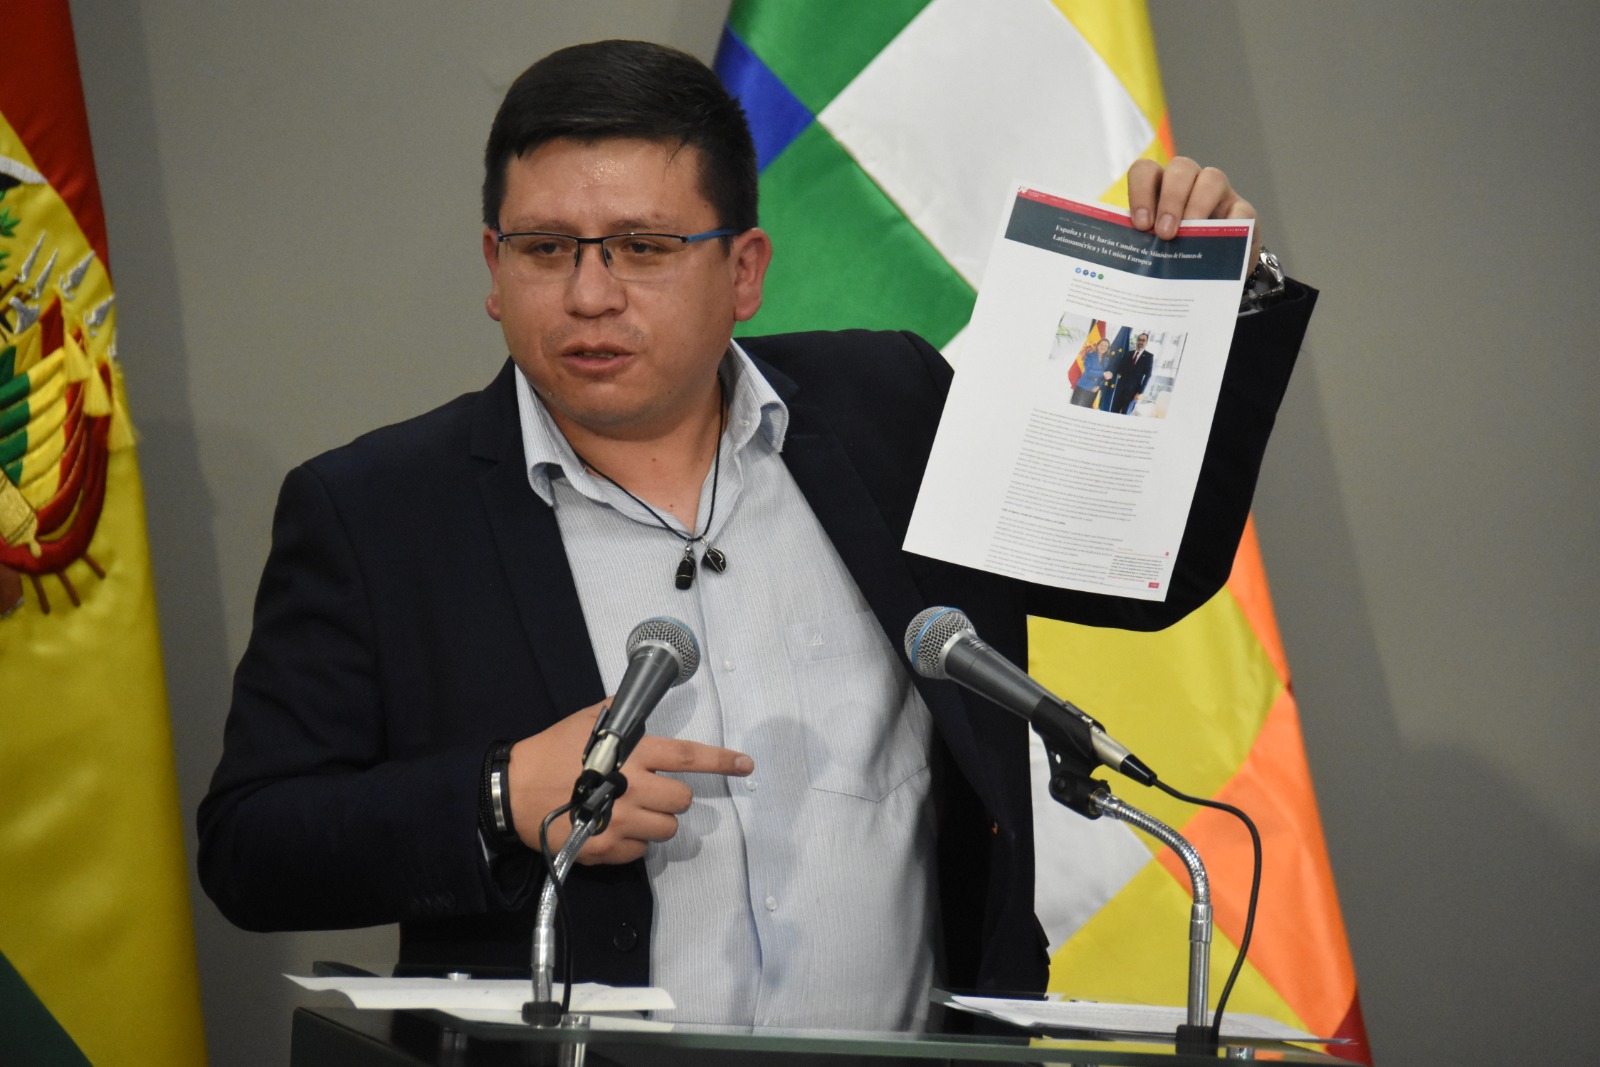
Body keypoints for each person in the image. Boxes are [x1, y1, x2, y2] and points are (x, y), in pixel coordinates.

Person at [197, 40, 1314, 1032]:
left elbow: (1142, 571)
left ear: (743, 270)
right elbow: (253, 847)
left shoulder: (889, 412)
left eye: (642, 247)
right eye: (545, 249)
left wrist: (1225, 287)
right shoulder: (378, 510)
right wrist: (496, 794)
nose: (589, 295)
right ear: (494, 269)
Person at [1107, 331, 1156, 415]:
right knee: (1113, 412)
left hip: (1133, 393)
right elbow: (1120, 368)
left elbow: (1148, 375)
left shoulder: (1149, 356)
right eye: (1139, 340)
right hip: (1120, 389)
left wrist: (1140, 392)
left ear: (1146, 342)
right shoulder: (1128, 354)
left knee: (1125, 414)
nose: (1140, 342)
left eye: (1143, 340)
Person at [1070, 337, 1114, 408]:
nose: (1103, 347)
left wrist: (1099, 386)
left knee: (1085, 410)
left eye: (1106, 346)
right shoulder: (1089, 355)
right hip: (1083, 387)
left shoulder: (1107, 360)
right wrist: (1103, 373)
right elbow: (1089, 372)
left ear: (1108, 348)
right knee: (1074, 408)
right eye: (1101, 345)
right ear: (1097, 345)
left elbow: (1105, 378)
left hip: (1094, 390)